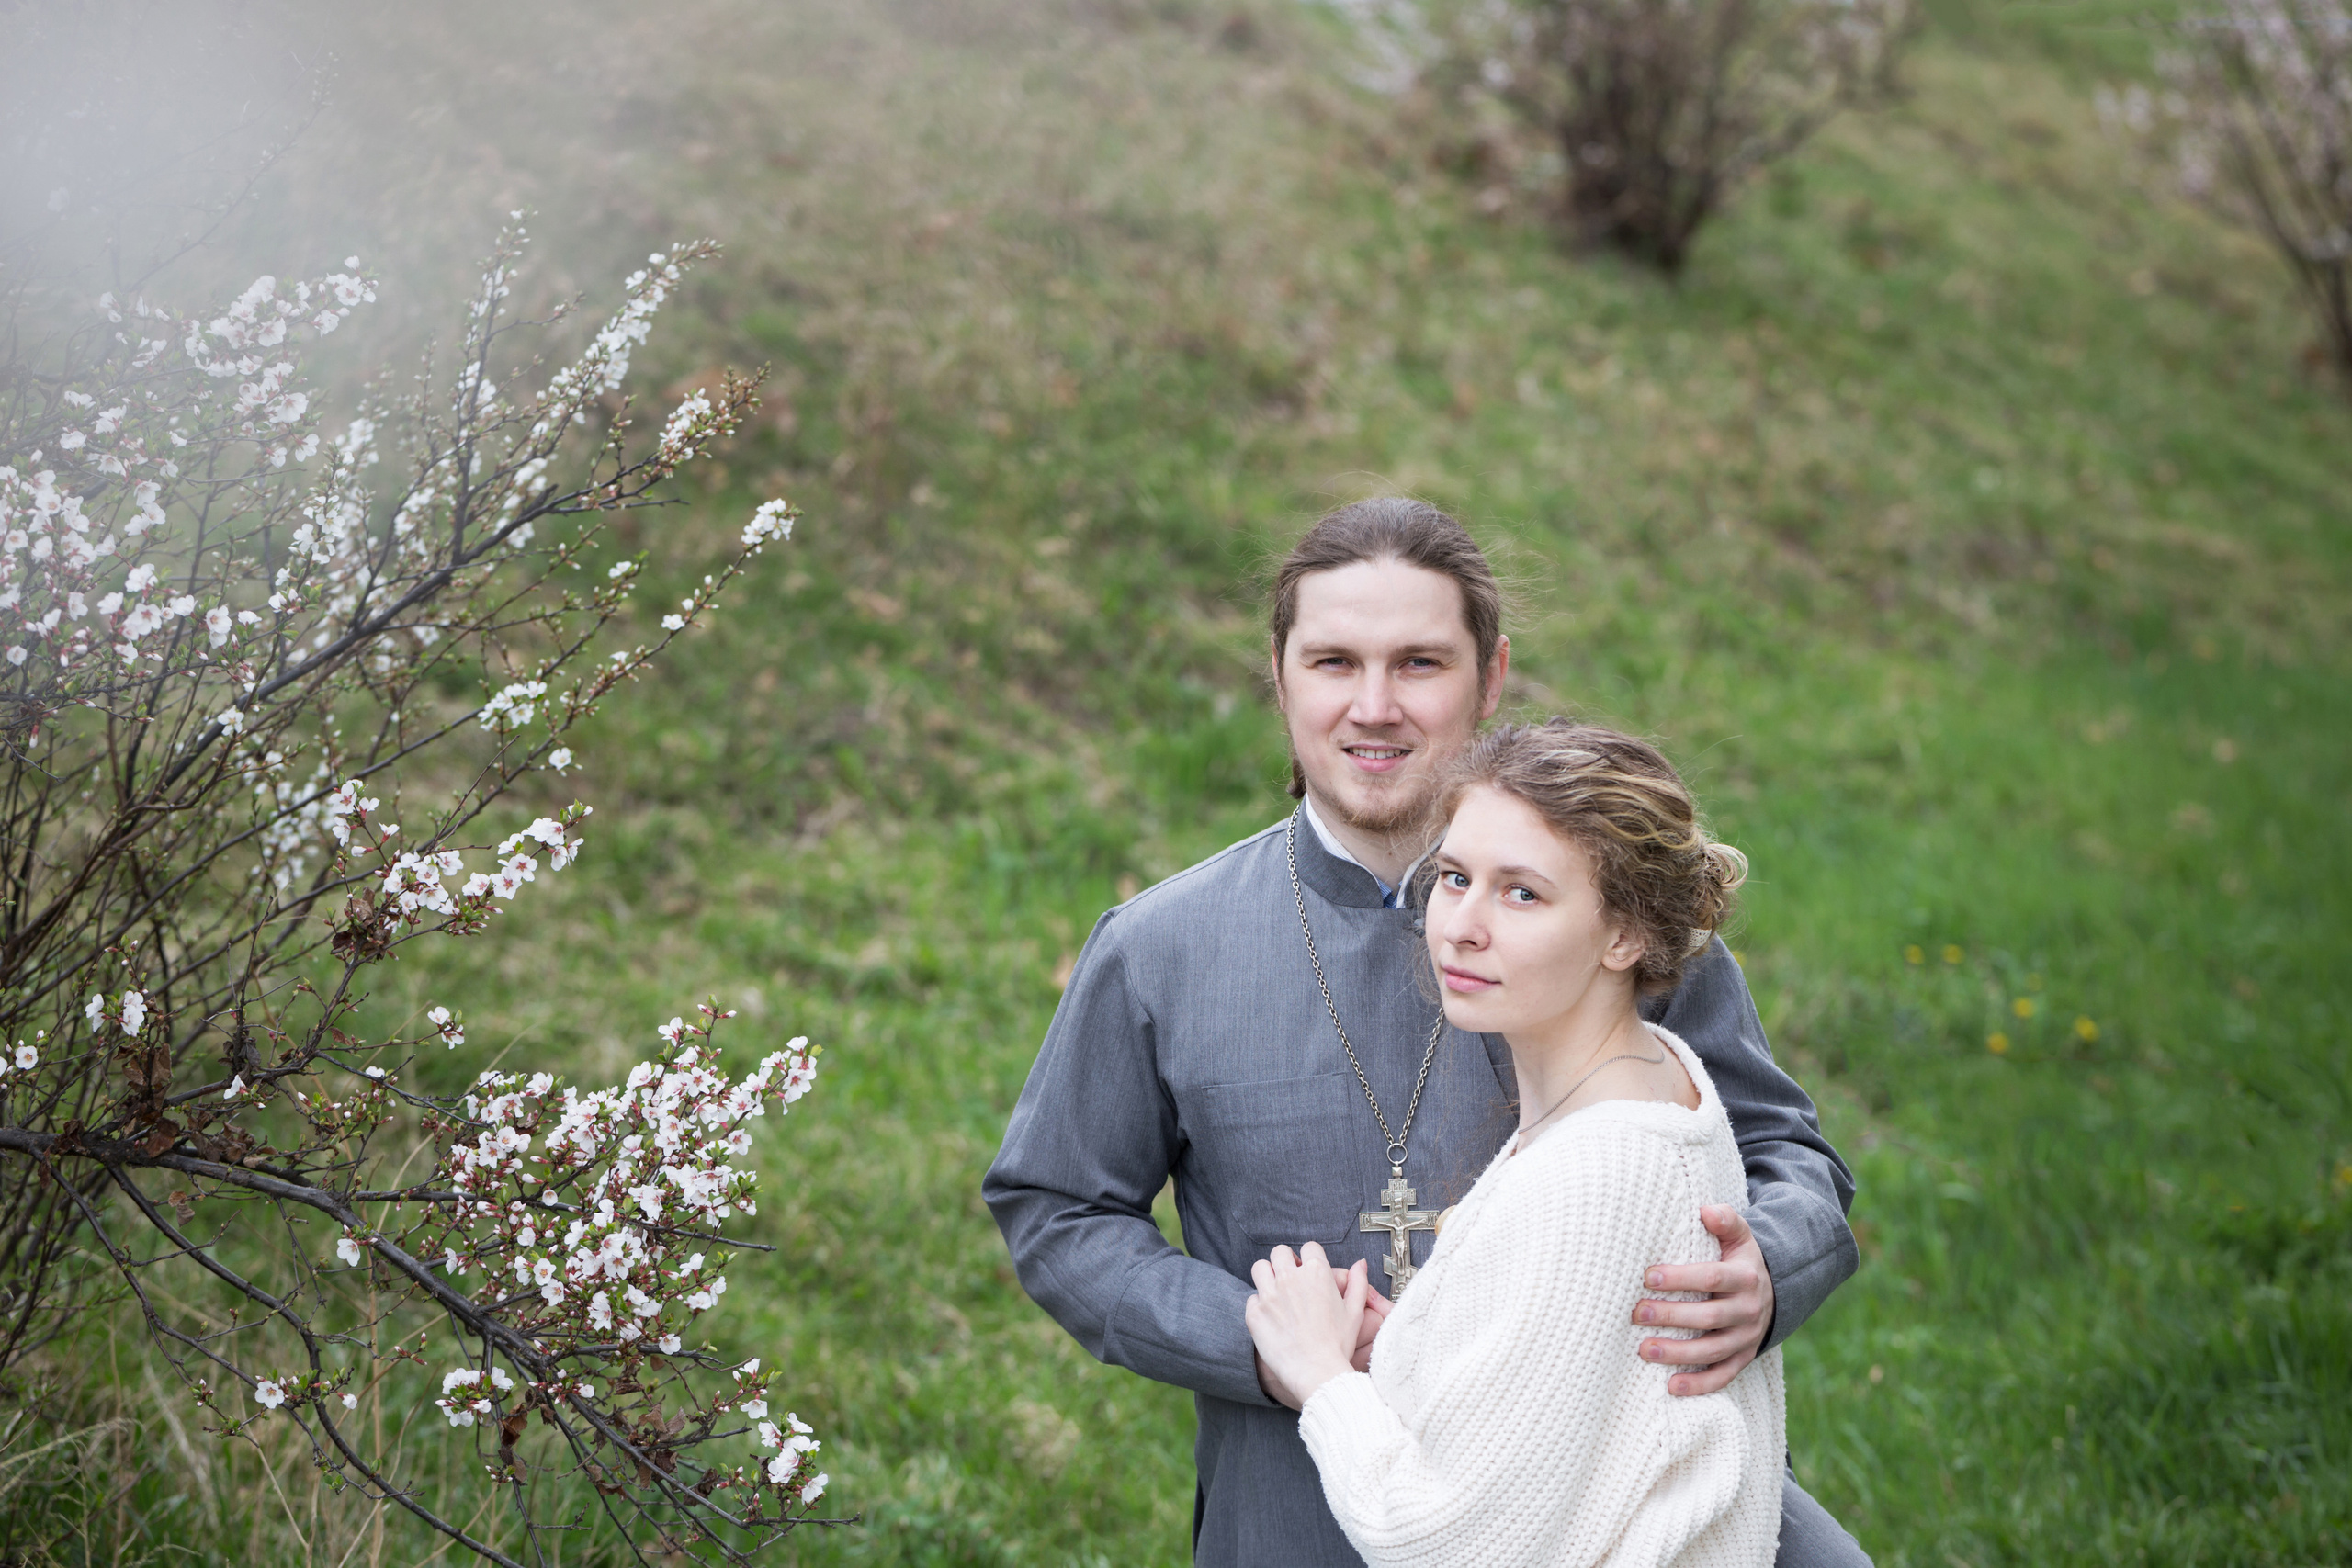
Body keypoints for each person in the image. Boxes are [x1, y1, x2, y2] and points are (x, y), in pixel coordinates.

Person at [983, 498, 1868, 1566]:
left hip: (1617, 1503)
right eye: (1332, 663)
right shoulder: (1159, 948)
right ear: (1278, 675)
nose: (1373, 707)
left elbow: (1786, 1155)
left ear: (1490, 678)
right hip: (1294, 1502)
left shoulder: (1613, 919)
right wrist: (1269, 1345)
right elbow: (1060, 1208)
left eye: (1418, 664)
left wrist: (1766, 1268)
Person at [1246, 720, 1783, 1567]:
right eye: (1455, 877)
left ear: (1626, 935)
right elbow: (1585, 1406)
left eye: (1522, 893)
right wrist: (1418, 1347)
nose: (1460, 924)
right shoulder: (1657, 1075)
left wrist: (1322, 1377)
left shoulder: (1591, 1173)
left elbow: (1444, 1542)